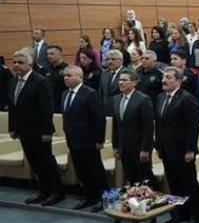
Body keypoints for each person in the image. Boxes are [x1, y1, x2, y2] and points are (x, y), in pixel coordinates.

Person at [10, 49, 65, 206]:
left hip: (40, 131)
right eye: (14, 62)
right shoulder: (14, 80)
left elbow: (47, 109)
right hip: (23, 130)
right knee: (34, 161)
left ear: (30, 63)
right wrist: (13, 127)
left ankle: (57, 192)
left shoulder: (40, 81)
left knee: (46, 161)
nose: (16, 65)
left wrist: (47, 131)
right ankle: (43, 191)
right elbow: (14, 106)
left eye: (20, 62)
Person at [155, 67, 199, 223]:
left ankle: (194, 216)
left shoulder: (187, 99)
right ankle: (180, 214)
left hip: (183, 151)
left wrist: (190, 149)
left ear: (179, 81)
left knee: (189, 184)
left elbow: (193, 127)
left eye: (168, 77)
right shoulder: (160, 98)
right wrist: (159, 146)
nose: (164, 80)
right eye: (163, 77)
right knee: (174, 184)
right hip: (167, 150)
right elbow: (159, 126)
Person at [61, 65, 108, 212]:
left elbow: (100, 119)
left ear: (79, 77)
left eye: (69, 75)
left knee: (96, 172)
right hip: (73, 141)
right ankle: (89, 197)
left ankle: (104, 200)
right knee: (81, 172)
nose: (65, 78)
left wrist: (99, 140)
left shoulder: (90, 93)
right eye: (64, 76)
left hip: (89, 141)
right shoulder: (65, 94)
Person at [112, 69, 157, 187]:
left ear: (134, 83)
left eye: (125, 80)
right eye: (120, 80)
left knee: (144, 178)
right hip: (123, 147)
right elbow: (116, 125)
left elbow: (148, 127)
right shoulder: (116, 99)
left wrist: (145, 149)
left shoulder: (143, 99)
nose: (121, 82)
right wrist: (115, 146)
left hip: (139, 147)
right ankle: (134, 203)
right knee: (131, 178)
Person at [98, 50, 124, 116]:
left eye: (113, 59)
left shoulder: (126, 73)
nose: (110, 61)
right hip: (105, 110)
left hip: (120, 110)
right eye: (108, 59)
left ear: (121, 60)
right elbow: (101, 92)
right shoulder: (104, 73)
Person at [43, 45, 68, 113]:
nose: (49, 56)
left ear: (59, 54)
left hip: (61, 104)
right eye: (47, 54)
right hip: (49, 103)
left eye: (51, 54)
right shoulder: (46, 69)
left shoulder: (66, 69)